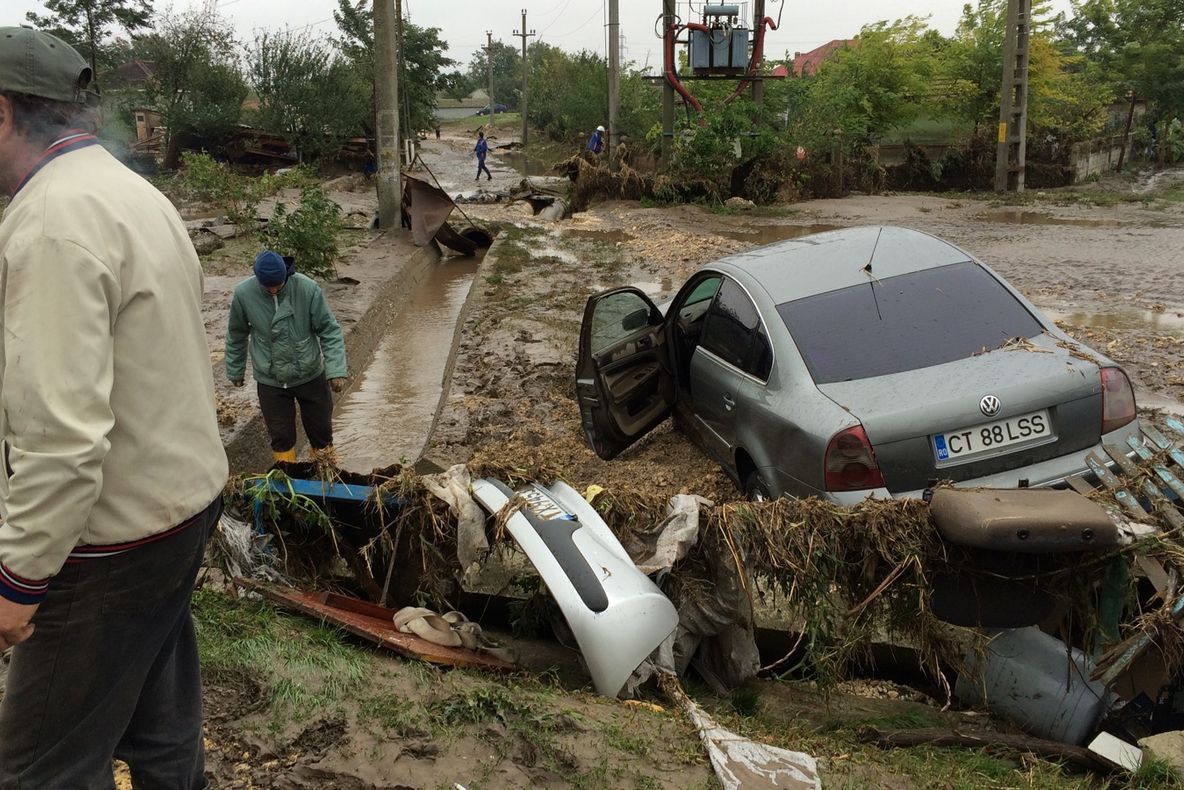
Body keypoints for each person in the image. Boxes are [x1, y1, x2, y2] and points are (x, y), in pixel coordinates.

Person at [0, 27, 228, 788]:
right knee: (159, 729)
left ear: (1, 115)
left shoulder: (51, 226)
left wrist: (16, 581)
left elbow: (62, 442)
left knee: (43, 768)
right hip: (180, 511)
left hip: (106, 550)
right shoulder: (131, 193)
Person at [225, 250, 348, 463]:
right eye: (267, 287)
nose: (273, 290)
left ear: (286, 276)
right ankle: (287, 480)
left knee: (321, 433)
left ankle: (324, 478)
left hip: (309, 373)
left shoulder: (306, 289)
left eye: (278, 285)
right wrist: (235, 369)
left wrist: (336, 369)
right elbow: (236, 334)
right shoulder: (244, 294)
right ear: (258, 280)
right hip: (270, 378)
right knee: (281, 436)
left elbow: (329, 330)